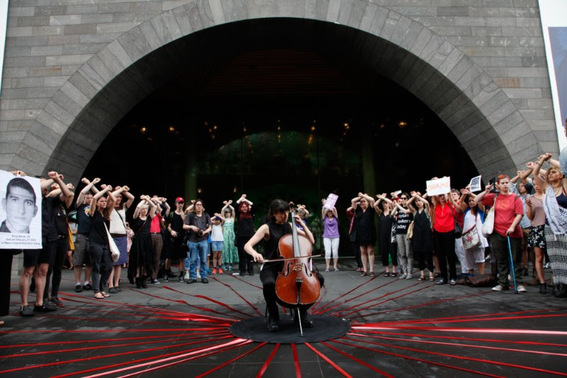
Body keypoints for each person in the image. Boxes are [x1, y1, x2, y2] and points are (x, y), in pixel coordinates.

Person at [244, 199, 320, 332]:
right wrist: (255, 253)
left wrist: (301, 223)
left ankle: (301, 313)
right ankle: (274, 315)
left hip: (293, 266)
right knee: (268, 284)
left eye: (286, 212)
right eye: (281, 213)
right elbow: (247, 245)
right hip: (272, 267)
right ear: (273, 213)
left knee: (318, 280)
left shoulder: (290, 225)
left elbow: (311, 240)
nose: (284, 216)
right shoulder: (266, 227)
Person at [19, 171, 72, 316]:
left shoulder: (50, 200)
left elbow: (67, 194)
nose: (45, 188)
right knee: (28, 270)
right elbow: (38, 185)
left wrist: (58, 181)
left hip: (50, 237)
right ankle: (24, 304)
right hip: (33, 238)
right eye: (43, 185)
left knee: (43, 271)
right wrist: (50, 179)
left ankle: (39, 302)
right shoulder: (28, 198)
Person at [474, 175, 525, 292]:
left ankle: (519, 282)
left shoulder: (515, 198)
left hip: (513, 232)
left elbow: (519, 214)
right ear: (498, 185)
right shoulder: (494, 197)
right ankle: (503, 283)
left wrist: (512, 227)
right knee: (500, 258)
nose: (505, 185)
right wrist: (486, 191)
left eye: (507, 182)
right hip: (497, 232)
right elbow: (476, 200)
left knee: (516, 258)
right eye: (502, 183)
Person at [532, 153, 567, 293]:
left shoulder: (565, 186)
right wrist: (541, 161)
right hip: (551, 227)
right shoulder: (547, 188)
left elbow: (565, 169)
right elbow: (535, 173)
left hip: (565, 227)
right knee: (555, 257)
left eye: (554, 172)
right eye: (549, 172)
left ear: (560, 175)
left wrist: (550, 160)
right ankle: (560, 284)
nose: (551, 174)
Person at [88, 185, 116, 299]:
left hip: (105, 243)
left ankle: (101, 288)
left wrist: (108, 192)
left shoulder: (106, 213)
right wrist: (105, 190)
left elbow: (113, 200)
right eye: (102, 201)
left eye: (105, 201)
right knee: (96, 266)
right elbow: (94, 199)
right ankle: (96, 291)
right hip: (95, 242)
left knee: (108, 266)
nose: (104, 202)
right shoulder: (93, 213)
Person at [73, 178, 97, 293]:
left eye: (91, 198)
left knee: (89, 261)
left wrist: (92, 186)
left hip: (92, 235)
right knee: (78, 260)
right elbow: (82, 193)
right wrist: (90, 183)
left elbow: (98, 194)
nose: (89, 199)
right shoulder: (80, 206)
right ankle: (78, 282)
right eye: (87, 198)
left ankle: (87, 281)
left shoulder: (95, 208)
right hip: (82, 234)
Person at [108, 186, 134, 293]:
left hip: (122, 236)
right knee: (111, 261)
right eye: (117, 197)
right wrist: (117, 191)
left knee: (119, 262)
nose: (118, 198)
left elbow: (132, 198)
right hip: (112, 236)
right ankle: (110, 285)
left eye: (120, 197)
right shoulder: (109, 207)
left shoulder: (123, 207)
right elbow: (111, 197)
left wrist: (124, 191)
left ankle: (117, 283)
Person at [431, 189, 459, 285]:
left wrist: (448, 190)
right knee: (440, 255)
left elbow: (451, 199)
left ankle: (453, 276)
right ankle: (443, 277)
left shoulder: (450, 204)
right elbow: (433, 196)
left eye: (443, 195)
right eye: (440, 195)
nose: (442, 197)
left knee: (450, 255)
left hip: (449, 231)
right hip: (438, 232)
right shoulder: (436, 205)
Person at [129, 195, 157, 288]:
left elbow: (153, 207)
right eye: (143, 209)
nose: (144, 210)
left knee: (146, 260)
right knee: (138, 261)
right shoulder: (136, 216)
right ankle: (137, 278)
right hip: (138, 240)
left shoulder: (149, 217)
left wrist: (147, 199)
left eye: (146, 209)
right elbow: (137, 207)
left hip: (147, 240)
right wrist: (143, 200)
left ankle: (144, 278)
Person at [406, 193, 435, 281]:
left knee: (428, 255)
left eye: (419, 201)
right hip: (417, 237)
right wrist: (414, 197)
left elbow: (426, 202)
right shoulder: (415, 212)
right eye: (416, 202)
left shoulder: (426, 211)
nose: (418, 203)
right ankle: (422, 274)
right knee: (419, 256)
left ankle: (431, 274)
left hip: (426, 237)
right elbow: (407, 203)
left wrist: (418, 196)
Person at [525, 181, 548, 294]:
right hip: (537, 227)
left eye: (538, 183)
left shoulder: (549, 196)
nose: (536, 186)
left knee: (553, 256)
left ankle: (556, 280)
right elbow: (530, 216)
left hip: (550, 227)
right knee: (539, 257)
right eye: (534, 184)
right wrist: (529, 207)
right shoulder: (531, 198)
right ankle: (542, 282)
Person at [184, 199, 212, 284]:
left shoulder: (206, 215)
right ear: (195, 206)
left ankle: (204, 276)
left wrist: (205, 232)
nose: (199, 206)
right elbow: (184, 226)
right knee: (193, 260)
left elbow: (210, 227)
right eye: (197, 205)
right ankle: (193, 277)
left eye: (200, 205)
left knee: (203, 259)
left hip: (203, 240)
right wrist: (192, 227)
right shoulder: (190, 215)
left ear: (202, 206)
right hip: (192, 240)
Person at [461, 191, 488, 275]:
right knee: (468, 258)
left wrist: (470, 193)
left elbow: (481, 199)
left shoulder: (480, 210)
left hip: (478, 237)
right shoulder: (466, 211)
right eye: (469, 201)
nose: (471, 202)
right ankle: (470, 275)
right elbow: (460, 202)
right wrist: (464, 194)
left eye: (473, 200)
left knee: (480, 258)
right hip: (468, 238)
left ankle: (481, 275)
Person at [352, 193, 377, 277]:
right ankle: (365, 270)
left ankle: (372, 270)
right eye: (361, 202)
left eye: (364, 201)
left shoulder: (371, 209)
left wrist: (363, 195)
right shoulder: (358, 210)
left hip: (369, 233)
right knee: (362, 251)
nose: (362, 203)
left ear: (367, 202)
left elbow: (372, 200)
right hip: (361, 233)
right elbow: (353, 201)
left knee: (370, 250)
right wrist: (360, 197)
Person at [392, 193, 414, 279]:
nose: (403, 200)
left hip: (407, 233)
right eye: (402, 198)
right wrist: (397, 206)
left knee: (409, 253)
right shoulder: (399, 208)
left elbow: (407, 212)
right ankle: (404, 271)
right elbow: (392, 214)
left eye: (405, 198)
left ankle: (410, 272)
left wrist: (398, 204)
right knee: (401, 253)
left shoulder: (410, 207)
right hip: (399, 232)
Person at [375, 194, 397, 277]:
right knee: (384, 251)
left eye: (385, 203)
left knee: (392, 251)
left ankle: (394, 269)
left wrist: (384, 198)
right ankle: (387, 269)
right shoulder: (381, 213)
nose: (384, 204)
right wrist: (380, 199)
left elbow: (391, 202)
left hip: (391, 234)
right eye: (383, 203)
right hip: (382, 234)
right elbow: (375, 205)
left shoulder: (392, 212)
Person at [167, 197, 187, 282]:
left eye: (182, 203)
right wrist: (171, 231)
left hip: (181, 238)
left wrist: (184, 219)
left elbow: (186, 226)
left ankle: (181, 274)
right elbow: (167, 226)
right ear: (176, 204)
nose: (180, 204)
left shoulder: (185, 215)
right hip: (172, 237)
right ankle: (166, 272)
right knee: (169, 256)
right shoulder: (171, 214)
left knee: (181, 257)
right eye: (179, 203)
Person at [235, 194, 255, 276]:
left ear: (248, 207)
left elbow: (253, 204)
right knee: (241, 254)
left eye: (245, 206)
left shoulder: (251, 214)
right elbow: (236, 204)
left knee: (250, 254)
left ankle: (250, 270)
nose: (244, 208)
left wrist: (245, 200)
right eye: (242, 206)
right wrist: (241, 198)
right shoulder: (239, 214)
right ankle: (242, 270)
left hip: (250, 237)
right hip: (241, 237)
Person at [321, 203, 340, 272]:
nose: (330, 213)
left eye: (331, 211)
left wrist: (331, 204)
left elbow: (335, 209)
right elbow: (323, 210)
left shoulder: (336, 218)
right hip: (326, 237)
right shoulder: (325, 218)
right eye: (329, 211)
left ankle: (335, 266)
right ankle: (327, 267)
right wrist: (325, 204)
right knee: (327, 252)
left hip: (335, 236)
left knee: (335, 252)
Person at [221, 200, 238, 271]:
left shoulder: (232, 219)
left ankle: (231, 264)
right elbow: (222, 210)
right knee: (225, 249)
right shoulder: (223, 219)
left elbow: (233, 209)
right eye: (226, 212)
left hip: (231, 236)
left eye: (228, 212)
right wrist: (227, 204)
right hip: (225, 235)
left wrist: (228, 204)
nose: (227, 213)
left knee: (231, 249)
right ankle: (224, 263)